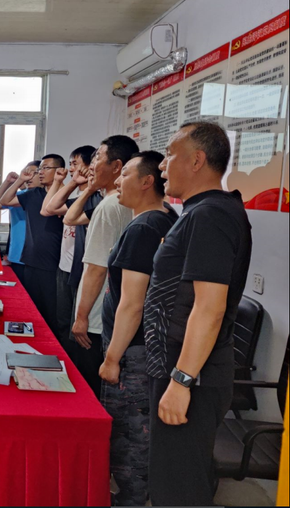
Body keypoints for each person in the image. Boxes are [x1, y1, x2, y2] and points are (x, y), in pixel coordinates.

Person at [144, 122, 252, 506]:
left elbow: (209, 307)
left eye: (169, 155)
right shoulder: (200, 213)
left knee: (178, 490)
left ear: (196, 160)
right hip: (179, 367)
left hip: (191, 375)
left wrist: (181, 381)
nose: (162, 166)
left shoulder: (211, 215)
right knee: (175, 479)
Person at [98, 151, 178, 506]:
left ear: (147, 181)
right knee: (138, 430)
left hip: (133, 352)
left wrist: (112, 358)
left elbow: (133, 303)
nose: (118, 181)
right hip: (148, 346)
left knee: (129, 433)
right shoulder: (165, 217)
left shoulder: (143, 229)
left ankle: (129, 499)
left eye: (126, 174)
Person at [64, 136, 136, 398]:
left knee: (88, 388)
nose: (91, 166)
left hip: (95, 318)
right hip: (111, 311)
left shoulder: (108, 207)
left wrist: (81, 317)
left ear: (117, 167)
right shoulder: (126, 203)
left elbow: (97, 268)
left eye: (97, 158)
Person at [0, 154, 65, 335]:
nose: (41, 172)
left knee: (50, 312)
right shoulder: (33, 194)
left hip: (53, 263)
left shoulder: (64, 196)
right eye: (40, 168)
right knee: (30, 308)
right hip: (30, 260)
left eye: (46, 168)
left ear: (59, 171)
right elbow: (4, 201)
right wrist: (20, 180)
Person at [40, 145, 97, 352]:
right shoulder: (75, 197)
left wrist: (81, 185)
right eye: (70, 164)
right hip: (63, 267)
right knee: (62, 321)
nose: (71, 169)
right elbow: (47, 209)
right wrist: (66, 182)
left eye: (75, 164)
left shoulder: (95, 199)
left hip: (81, 271)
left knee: (77, 327)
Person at [0, 161, 41, 288]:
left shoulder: (44, 197)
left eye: (33, 173)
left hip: (37, 256)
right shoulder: (19, 196)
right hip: (17, 254)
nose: (29, 176)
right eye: (26, 172)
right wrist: (8, 182)